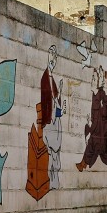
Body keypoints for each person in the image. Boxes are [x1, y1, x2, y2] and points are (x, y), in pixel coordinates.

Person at [76, 67, 107, 171]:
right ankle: (83, 164)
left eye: (94, 79)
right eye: (93, 78)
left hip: (101, 132)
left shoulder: (99, 96)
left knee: (93, 142)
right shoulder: (96, 95)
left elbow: (103, 115)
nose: (92, 81)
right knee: (93, 142)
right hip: (99, 130)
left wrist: (90, 128)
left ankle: (83, 164)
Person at [39, 45, 64, 189]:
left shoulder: (50, 78)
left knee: (55, 152)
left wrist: (59, 91)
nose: (53, 60)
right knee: (52, 151)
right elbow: (49, 99)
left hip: (55, 120)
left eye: (55, 57)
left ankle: (54, 180)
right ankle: (52, 180)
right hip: (50, 121)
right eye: (52, 56)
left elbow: (55, 99)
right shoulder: (45, 77)